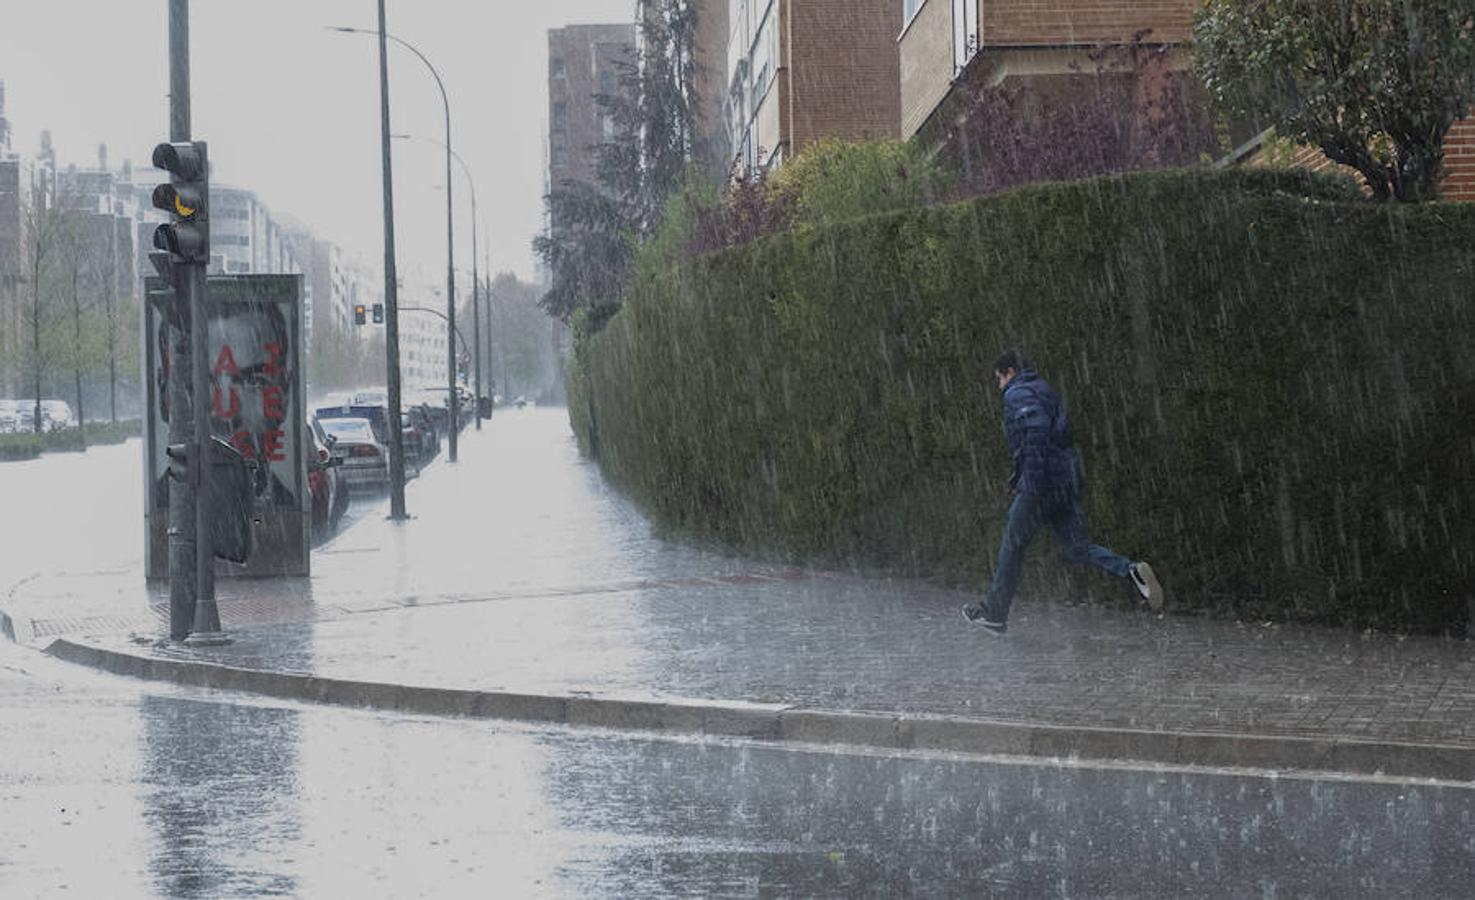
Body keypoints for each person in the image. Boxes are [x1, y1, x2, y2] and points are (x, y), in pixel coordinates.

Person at [962, 350, 1163, 635]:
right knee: (1076, 548)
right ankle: (1130, 570)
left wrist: (1029, 482)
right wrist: (1017, 476)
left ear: (1008, 372)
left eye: (999, 379)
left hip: (1042, 485)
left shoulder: (1017, 393)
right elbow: (1056, 440)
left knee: (1012, 544)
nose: (999, 386)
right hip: (1067, 480)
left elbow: (1037, 432)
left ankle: (995, 613)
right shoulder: (1045, 389)